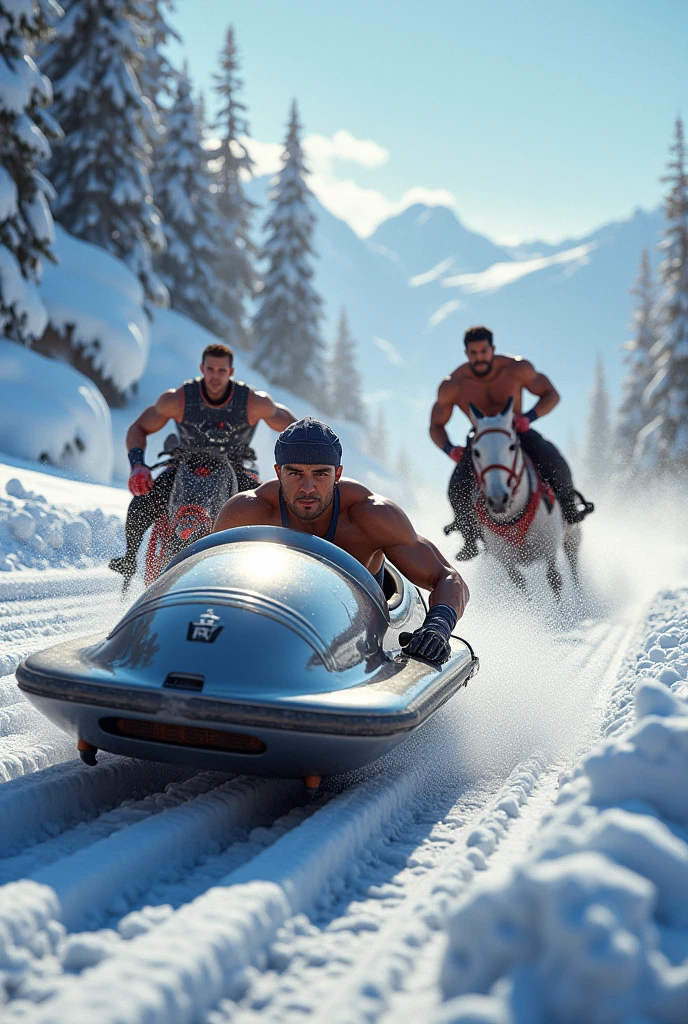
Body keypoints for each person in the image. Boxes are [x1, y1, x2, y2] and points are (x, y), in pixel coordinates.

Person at [213, 417, 469, 667]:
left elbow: (448, 578)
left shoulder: (371, 515)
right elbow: (204, 576)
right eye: (295, 473)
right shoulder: (246, 513)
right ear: (279, 472)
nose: (308, 487)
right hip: (269, 630)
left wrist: (438, 627)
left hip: (357, 641)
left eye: (320, 474)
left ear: (337, 474)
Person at [109, 342, 296, 583]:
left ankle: (267, 576)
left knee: (265, 510)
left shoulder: (254, 402)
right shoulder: (178, 400)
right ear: (202, 368)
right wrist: (137, 465)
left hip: (236, 469)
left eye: (221, 370)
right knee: (142, 501)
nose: (215, 376)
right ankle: (129, 558)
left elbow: (295, 430)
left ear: (231, 372)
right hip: (183, 468)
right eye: (211, 369)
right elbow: (139, 427)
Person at [430, 325, 593, 561]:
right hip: (480, 440)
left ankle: (569, 511)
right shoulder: (453, 384)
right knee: (457, 486)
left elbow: (551, 394)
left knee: (553, 459)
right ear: (466, 353)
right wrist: (450, 449)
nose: (479, 358)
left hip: (517, 431)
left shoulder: (516, 369)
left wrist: (529, 417)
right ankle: (470, 538)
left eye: (483, 351)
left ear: (493, 349)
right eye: (473, 353)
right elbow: (435, 425)